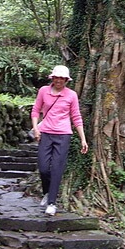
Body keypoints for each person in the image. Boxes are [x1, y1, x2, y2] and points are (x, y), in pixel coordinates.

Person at [31, 65, 88, 216]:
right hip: (46, 133)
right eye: (57, 77)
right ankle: (46, 192)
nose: (59, 81)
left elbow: (76, 116)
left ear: (66, 80)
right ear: (52, 78)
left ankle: (51, 203)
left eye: (62, 78)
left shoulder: (71, 95)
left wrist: (83, 139)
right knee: (43, 167)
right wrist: (36, 128)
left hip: (63, 135)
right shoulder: (43, 91)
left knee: (57, 168)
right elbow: (36, 110)